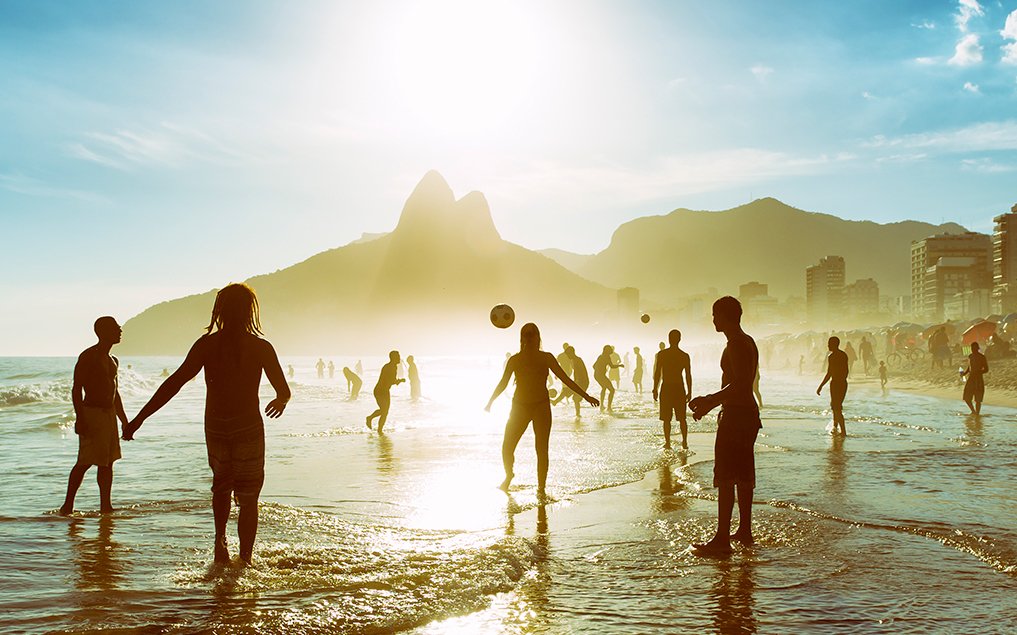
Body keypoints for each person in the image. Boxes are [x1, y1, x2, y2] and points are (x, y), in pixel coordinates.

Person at [122, 284, 290, 565]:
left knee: (221, 487)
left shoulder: (207, 345)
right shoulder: (260, 347)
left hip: (216, 428)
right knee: (249, 497)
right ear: (251, 311)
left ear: (219, 311)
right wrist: (281, 401)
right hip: (248, 426)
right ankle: (245, 560)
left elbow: (174, 383)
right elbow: (283, 390)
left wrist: (139, 419)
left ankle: (220, 543)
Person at [485, 323, 599, 495]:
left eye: (532, 334)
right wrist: (490, 401)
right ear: (522, 338)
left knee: (541, 449)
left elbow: (565, 379)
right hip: (519, 406)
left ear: (538, 337)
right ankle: (509, 475)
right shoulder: (515, 360)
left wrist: (586, 396)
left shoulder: (546, 358)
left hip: (541, 406)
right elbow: (503, 383)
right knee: (507, 447)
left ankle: (541, 488)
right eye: (526, 334)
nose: (529, 337)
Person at [689, 297, 761, 555]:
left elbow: (741, 384)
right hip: (747, 414)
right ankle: (744, 531)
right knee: (742, 475)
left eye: (715, 315)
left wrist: (710, 400)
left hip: (737, 415)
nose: (713, 320)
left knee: (727, 476)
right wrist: (714, 402)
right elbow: (744, 384)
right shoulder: (747, 341)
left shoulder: (737, 344)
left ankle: (722, 539)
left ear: (726, 316)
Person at [60, 316, 129, 516]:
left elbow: (115, 393)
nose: (120, 330)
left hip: (108, 415)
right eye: (116, 327)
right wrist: (80, 418)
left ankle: (105, 506)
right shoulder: (88, 356)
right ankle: (67, 506)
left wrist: (124, 421)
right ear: (104, 332)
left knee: (107, 462)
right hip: (92, 413)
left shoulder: (113, 360)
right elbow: (76, 389)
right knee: (85, 461)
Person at [652, 330, 692, 450]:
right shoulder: (684, 355)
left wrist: (655, 388)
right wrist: (690, 391)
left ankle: (668, 443)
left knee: (666, 419)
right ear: (679, 339)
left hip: (667, 388)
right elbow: (688, 375)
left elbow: (657, 372)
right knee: (682, 418)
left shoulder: (662, 354)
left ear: (669, 339)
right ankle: (684, 442)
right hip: (679, 388)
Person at [817, 336, 849, 435]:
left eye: (829, 344)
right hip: (840, 383)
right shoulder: (843, 355)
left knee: (837, 407)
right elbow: (846, 371)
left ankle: (843, 431)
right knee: (835, 406)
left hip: (837, 383)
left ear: (834, 344)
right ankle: (835, 428)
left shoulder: (833, 357)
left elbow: (829, 373)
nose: (828, 346)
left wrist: (821, 386)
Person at [366, 351, 404, 432]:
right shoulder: (389, 367)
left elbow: (391, 381)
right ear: (393, 358)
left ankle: (379, 430)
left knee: (385, 412)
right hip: (379, 391)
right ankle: (370, 418)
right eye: (398, 356)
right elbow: (390, 381)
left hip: (385, 391)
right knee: (384, 410)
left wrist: (397, 381)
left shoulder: (393, 366)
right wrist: (399, 381)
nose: (399, 358)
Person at [593, 345, 623, 412]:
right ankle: (609, 407)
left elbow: (594, 366)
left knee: (604, 388)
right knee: (612, 390)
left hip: (596, 375)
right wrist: (620, 365)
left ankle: (601, 406)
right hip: (601, 375)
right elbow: (612, 366)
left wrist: (600, 369)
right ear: (607, 351)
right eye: (610, 350)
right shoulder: (607, 357)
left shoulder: (600, 356)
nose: (611, 351)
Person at [961, 342, 989, 415]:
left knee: (978, 399)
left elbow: (986, 369)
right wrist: (965, 373)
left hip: (978, 379)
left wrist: (979, 372)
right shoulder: (970, 356)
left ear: (977, 348)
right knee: (967, 397)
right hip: (971, 378)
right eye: (972, 348)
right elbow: (969, 367)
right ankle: (973, 411)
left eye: (974, 348)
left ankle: (977, 413)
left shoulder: (982, 357)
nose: (973, 350)